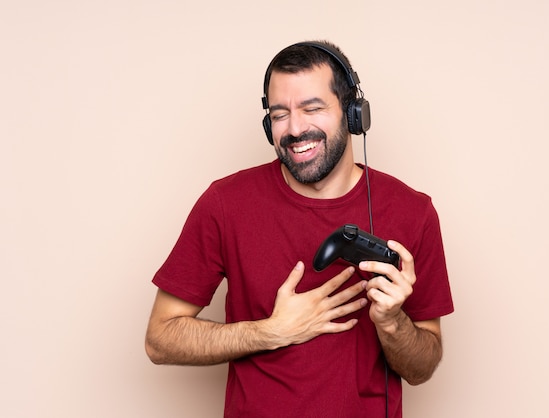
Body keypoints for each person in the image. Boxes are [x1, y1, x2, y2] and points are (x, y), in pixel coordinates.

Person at [145, 40, 454, 418]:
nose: (294, 129)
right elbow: (160, 339)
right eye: (279, 114)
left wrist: (392, 323)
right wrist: (269, 331)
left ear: (354, 114)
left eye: (312, 108)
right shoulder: (225, 203)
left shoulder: (413, 212)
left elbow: (422, 368)